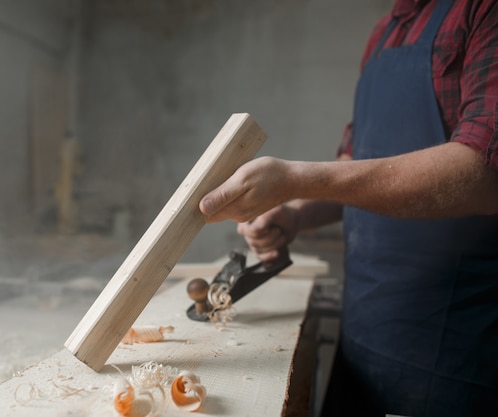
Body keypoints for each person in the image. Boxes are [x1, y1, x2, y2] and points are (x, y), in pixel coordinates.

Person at [198, 0, 498, 416]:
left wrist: (296, 179)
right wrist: (295, 213)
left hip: (455, 348)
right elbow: (355, 161)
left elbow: (484, 171)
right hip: (364, 329)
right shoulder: (385, 32)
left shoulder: (482, 12)